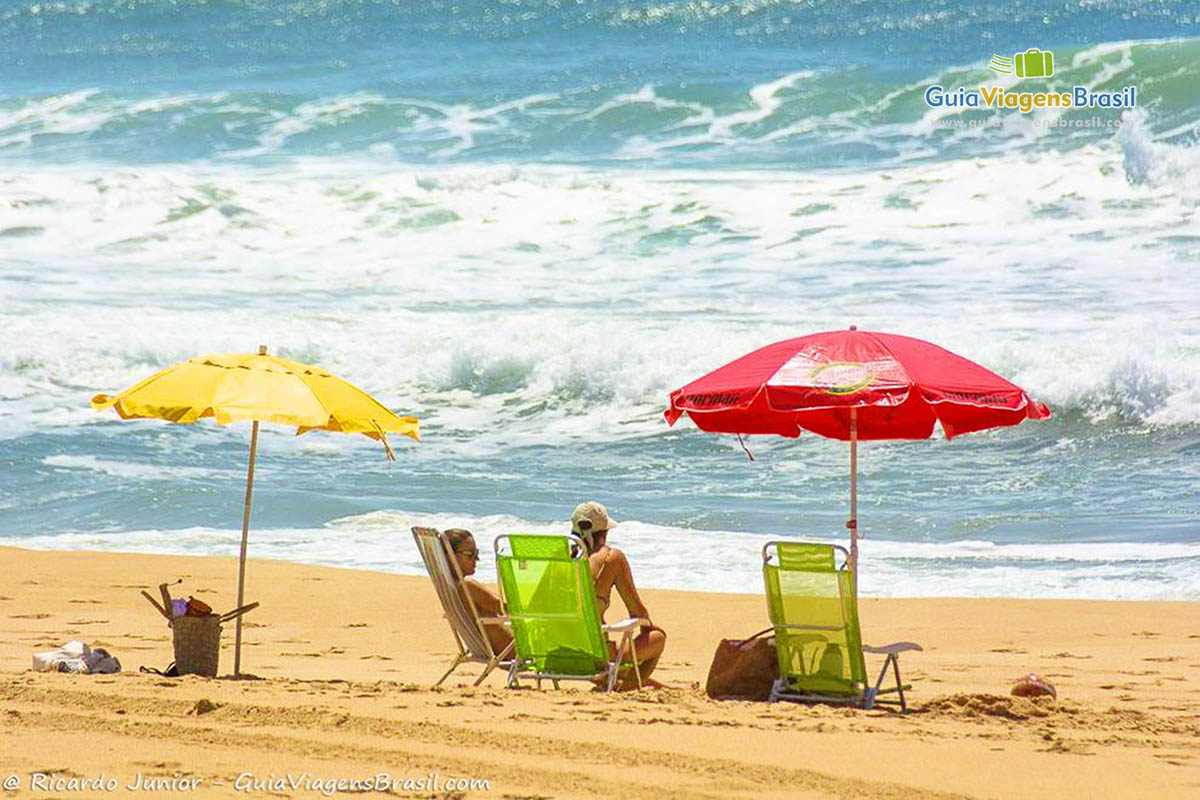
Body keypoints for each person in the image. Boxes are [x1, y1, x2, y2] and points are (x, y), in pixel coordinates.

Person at [571, 501, 667, 690]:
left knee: (614, 658)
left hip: (552, 651)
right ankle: (626, 687)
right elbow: (638, 612)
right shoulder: (611, 558)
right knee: (658, 637)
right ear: (604, 533)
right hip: (593, 655)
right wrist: (647, 630)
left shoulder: (555, 558)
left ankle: (664, 688)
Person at [442, 528, 512, 655]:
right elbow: (507, 608)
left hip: (500, 648)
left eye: (477, 554)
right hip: (512, 650)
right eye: (469, 554)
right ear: (449, 556)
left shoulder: (452, 587)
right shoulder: (467, 587)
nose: (476, 559)